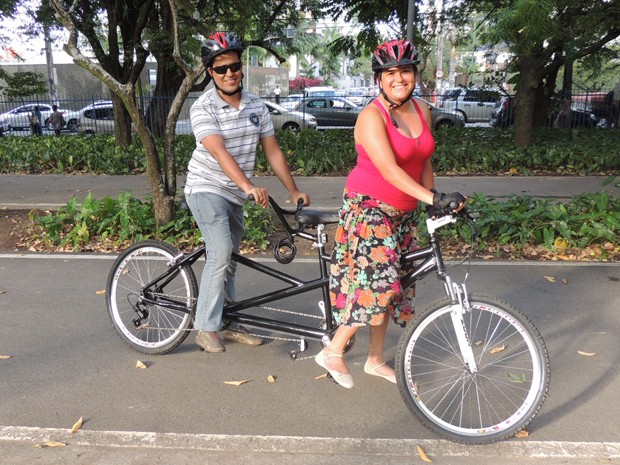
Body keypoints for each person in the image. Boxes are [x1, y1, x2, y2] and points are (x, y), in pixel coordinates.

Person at [315, 39, 465, 388]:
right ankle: (333, 351)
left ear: (415, 75)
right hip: (368, 207)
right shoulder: (371, 116)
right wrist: (434, 196)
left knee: (396, 287)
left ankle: (374, 359)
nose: (399, 78)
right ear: (379, 79)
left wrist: (432, 205)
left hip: (404, 210)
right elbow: (389, 170)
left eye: (406, 71)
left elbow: (423, 160)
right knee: (381, 283)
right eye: (390, 73)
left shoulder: (420, 110)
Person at [185, 32, 310, 353]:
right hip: (206, 187)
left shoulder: (256, 105)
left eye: (234, 66)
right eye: (221, 68)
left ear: (242, 67)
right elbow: (219, 152)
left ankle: (229, 321)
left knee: (230, 260)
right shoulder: (202, 108)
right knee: (221, 251)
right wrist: (248, 186)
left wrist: (293, 190)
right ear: (210, 73)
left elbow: (272, 151)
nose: (229, 73)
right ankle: (205, 327)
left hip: (235, 194)